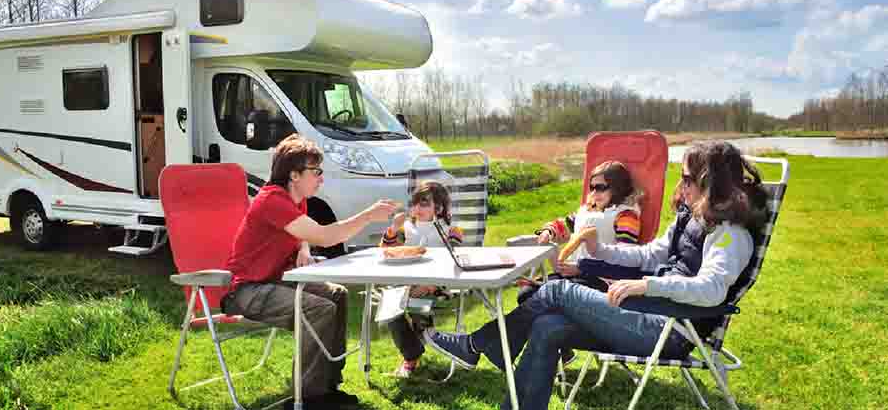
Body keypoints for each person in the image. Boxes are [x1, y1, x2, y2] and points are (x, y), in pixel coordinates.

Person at [425, 140, 768, 410]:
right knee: (546, 327)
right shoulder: (692, 219)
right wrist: (601, 251)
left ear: (711, 184)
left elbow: (710, 290)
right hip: (644, 312)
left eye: (688, 179)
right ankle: (493, 362)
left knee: (557, 291)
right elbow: (650, 254)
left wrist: (648, 284)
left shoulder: (731, 235)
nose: (682, 186)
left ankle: (478, 345)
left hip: (668, 330)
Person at [221, 134, 397, 410]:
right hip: (247, 290)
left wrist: (303, 249)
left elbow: (302, 231)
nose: (321, 178)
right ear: (294, 175)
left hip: (276, 282)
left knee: (336, 295)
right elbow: (325, 236)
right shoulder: (272, 201)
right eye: (316, 172)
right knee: (317, 309)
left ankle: (327, 386)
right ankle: (306, 397)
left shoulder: (295, 201)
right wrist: (366, 216)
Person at [520, 160, 642, 367]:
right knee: (526, 292)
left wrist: (582, 267)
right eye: (592, 187)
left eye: (601, 188)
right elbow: (563, 224)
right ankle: (563, 350)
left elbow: (625, 259)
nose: (595, 192)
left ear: (617, 187)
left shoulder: (626, 215)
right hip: (573, 276)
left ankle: (556, 343)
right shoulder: (588, 211)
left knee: (536, 295)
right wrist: (549, 231)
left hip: (601, 281)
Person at [379, 181, 464, 378]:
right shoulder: (407, 228)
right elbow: (386, 251)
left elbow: (454, 260)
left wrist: (430, 284)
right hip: (406, 283)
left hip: (440, 283)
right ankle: (412, 353)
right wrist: (393, 228)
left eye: (424, 203)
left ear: (439, 207)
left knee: (417, 305)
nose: (417, 208)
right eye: (415, 203)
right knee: (389, 307)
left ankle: (417, 349)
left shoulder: (452, 229)